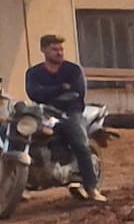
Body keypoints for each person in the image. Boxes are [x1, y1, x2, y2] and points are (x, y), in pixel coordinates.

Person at [25, 33, 101, 202]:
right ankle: (20, 185)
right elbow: (34, 93)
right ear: (43, 50)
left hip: (70, 112)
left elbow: (77, 93)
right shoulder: (34, 72)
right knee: (23, 135)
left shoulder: (73, 70)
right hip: (45, 112)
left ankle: (91, 187)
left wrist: (49, 93)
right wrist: (60, 88)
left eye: (60, 49)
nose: (59, 52)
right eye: (54, 49)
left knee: (80, 144)